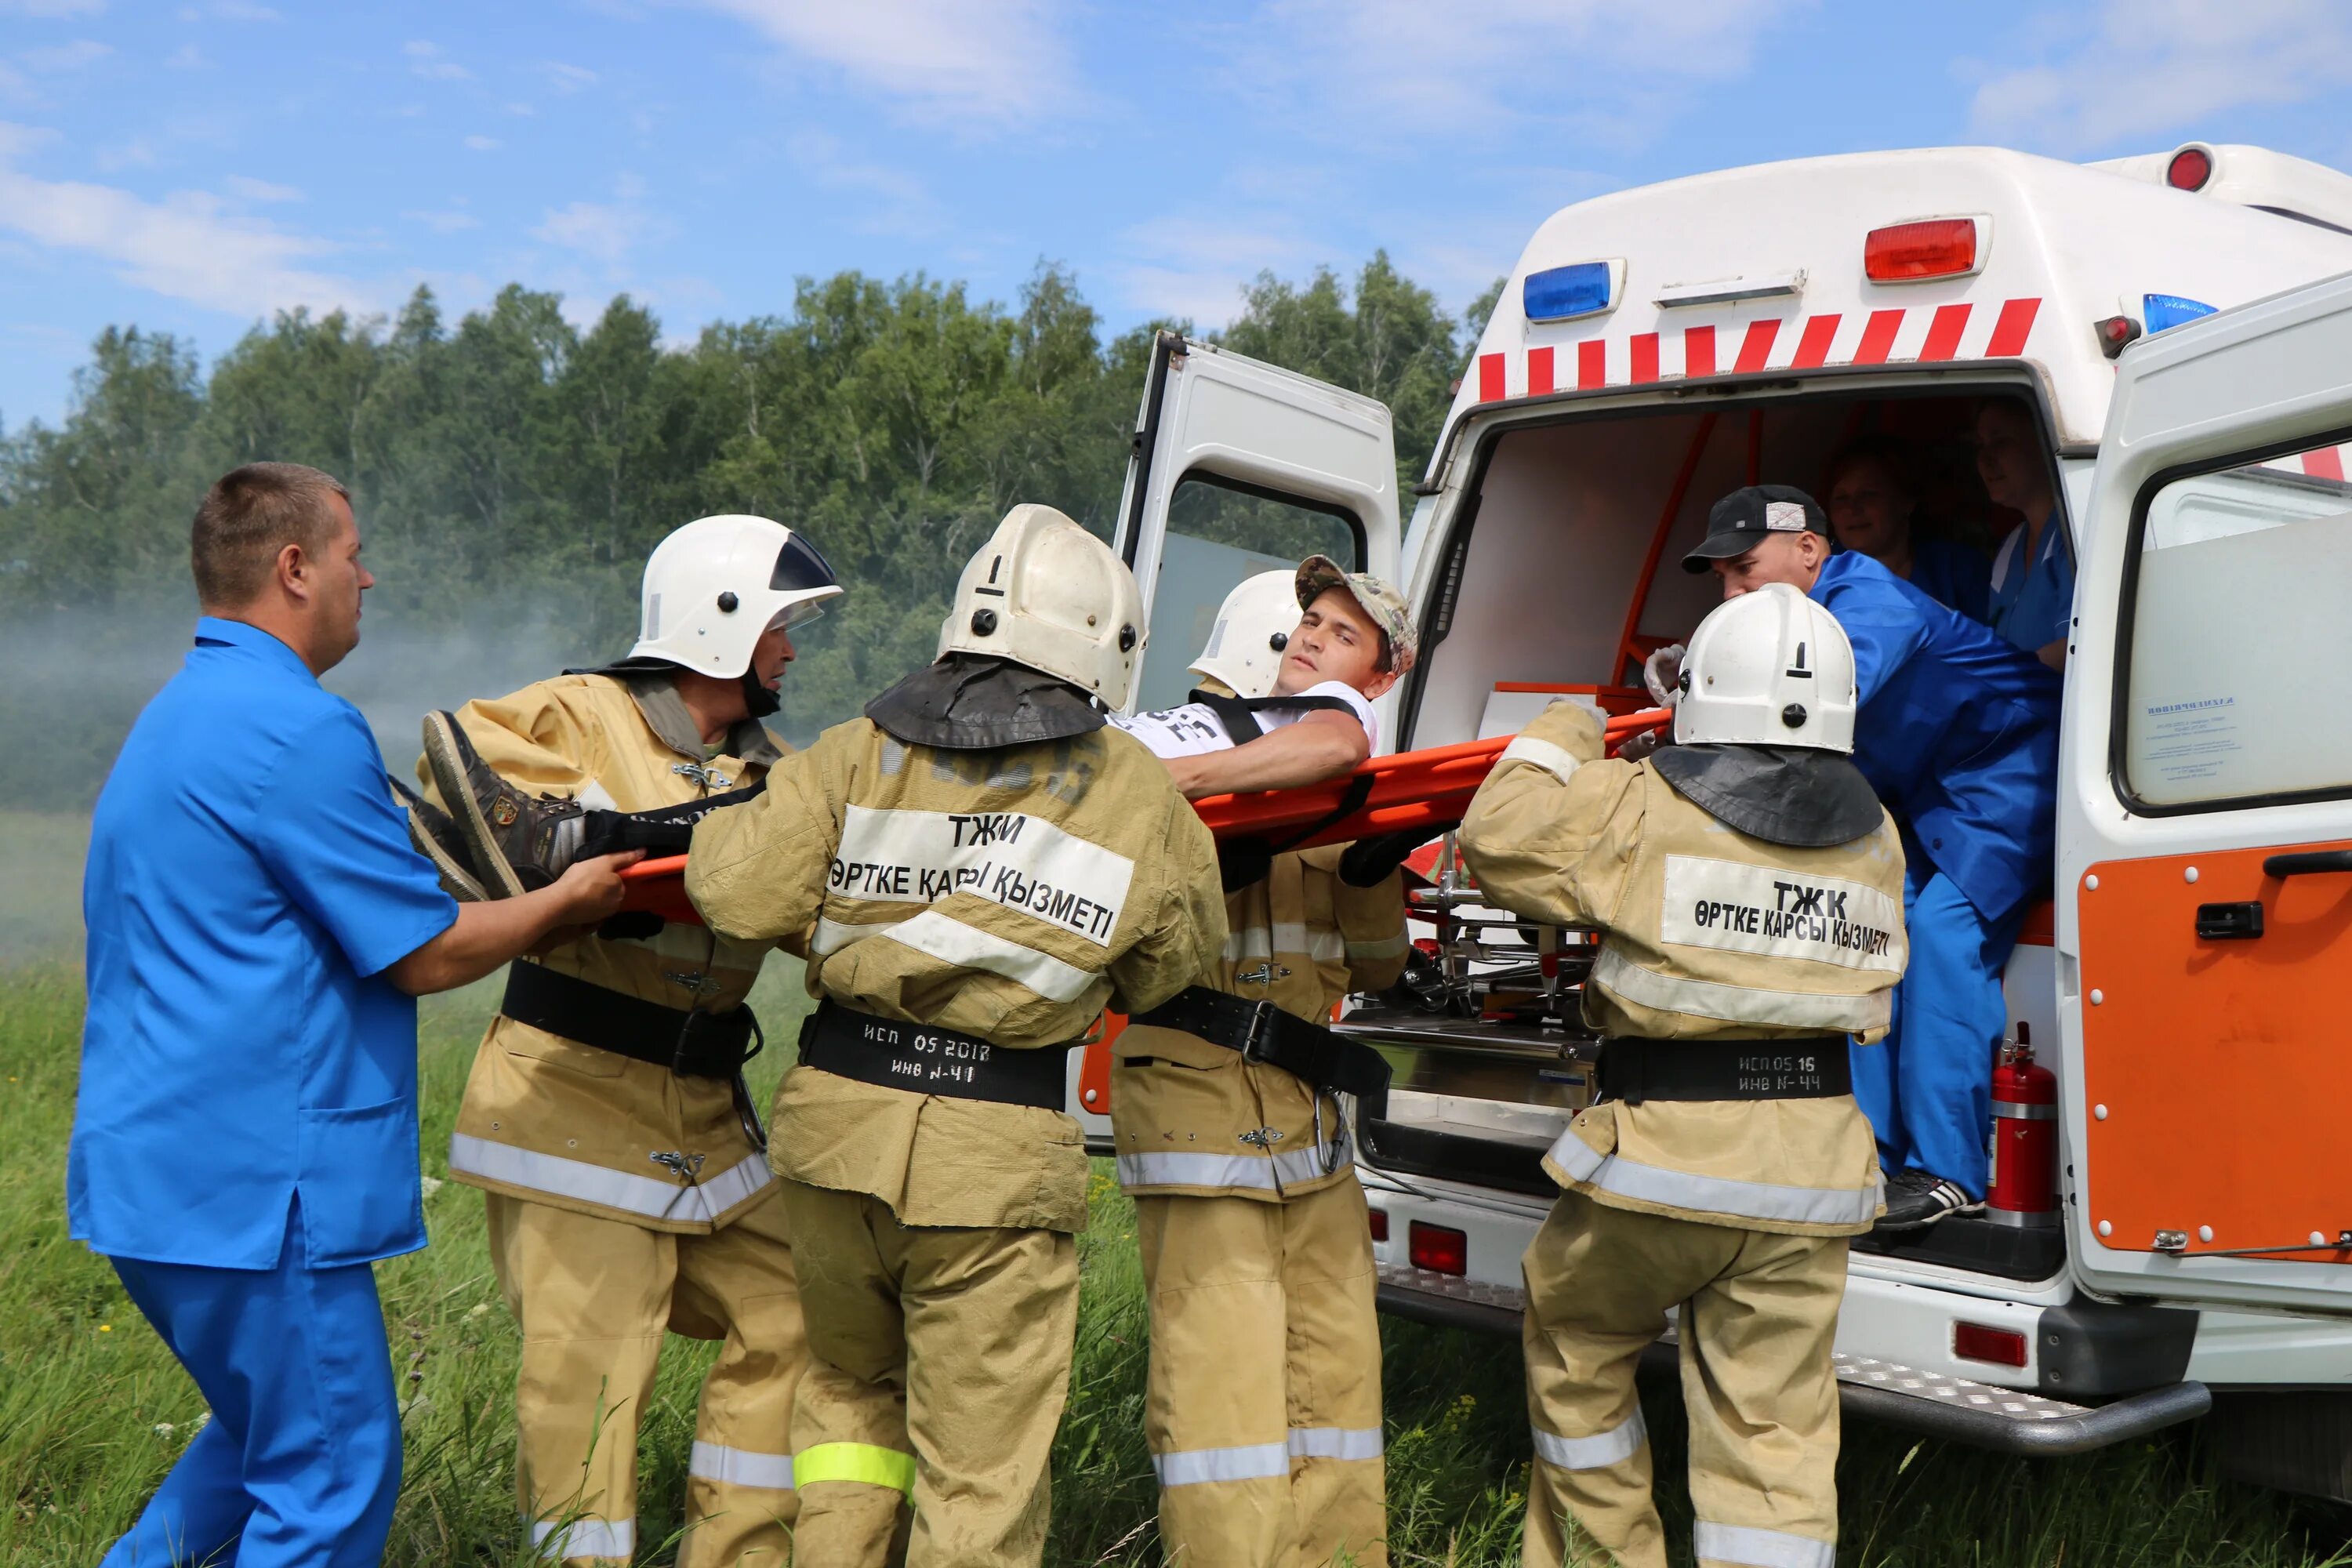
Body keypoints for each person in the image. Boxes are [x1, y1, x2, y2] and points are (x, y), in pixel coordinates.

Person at [68, 463, 637, 1568]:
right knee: (331, 1473)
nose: (365, 578)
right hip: (256, 1192)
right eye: (350, 554)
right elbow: (422, 954)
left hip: (154, 1177)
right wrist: (566, 904)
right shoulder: (298, 730)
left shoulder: (181, 710)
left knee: (257, 1445)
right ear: (294, 568)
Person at [673, 504, 1226, 1567]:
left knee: (845, 1401)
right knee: (979, 1472)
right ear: (1105, 645)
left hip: (834, 1138)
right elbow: (1174, 971)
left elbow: (737, 893)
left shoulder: (854, 749)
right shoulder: (1137, 793)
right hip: (992, 1165)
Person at [405, 514, 840, 1566]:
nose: (793, 647)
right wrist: (617, 851)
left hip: (703, 1119)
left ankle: (738, 1553)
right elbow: (482, 806)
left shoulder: (779, 773)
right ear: (722, 618)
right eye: (782, 623)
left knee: (806, 1306)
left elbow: (813, 918)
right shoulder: (570, 714)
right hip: (569, 1109)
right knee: (586, 1407)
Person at [1459, 583, 1904, 1568]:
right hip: (1813, 1172)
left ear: (1700, 689)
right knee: (1778, 1432)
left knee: (1578, 1352)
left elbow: (1496, 835)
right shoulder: (1878, 834)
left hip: (1665, 1157)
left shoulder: (1641, 799)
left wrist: (1570, 722)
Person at [1108, 563, 1417, 1567]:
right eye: (1305, 626)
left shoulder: (1342, 790)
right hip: (1197, 1111)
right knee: (1222, 1403)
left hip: (1309, 1125)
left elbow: (1374, 968)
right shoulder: (1166, 778)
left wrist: (1371, 872)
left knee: (1337, 1384)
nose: (1311, 641)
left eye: (1340, 631)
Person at [1679, 485, 2060, 1229]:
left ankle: (1950, 1173)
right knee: (1869, 940)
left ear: (1809, 550)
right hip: (1938, 796)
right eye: (1721, 577)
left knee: (1946, 942)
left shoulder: (1867, 602)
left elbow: (1826, 695)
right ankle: (1870, 1154)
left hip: (2012, 775)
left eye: (1745, 569)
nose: (1731, 593)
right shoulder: (1808, 616)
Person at [1823, 434, 1991, 623]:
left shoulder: (1959, 569)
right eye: (1841, 498)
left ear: (1906, 501)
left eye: (1868, 495)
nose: (1852, 509)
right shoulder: (1817, 579)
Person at [1975, 399, 2073, 669]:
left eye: (2000, 441)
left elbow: (2076, 649)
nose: (1985, 459)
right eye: (1980, 446)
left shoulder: (2074, 533)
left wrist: (2002, 677)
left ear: (2043, 440)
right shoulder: (2010, 547)